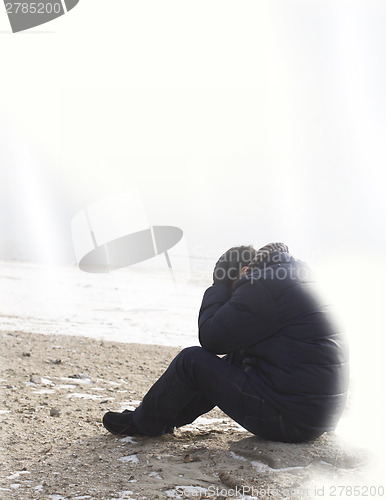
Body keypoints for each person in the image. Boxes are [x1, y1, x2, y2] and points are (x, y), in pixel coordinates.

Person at [102, 242, 349, 443]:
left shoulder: (259, 284)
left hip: (289, 421)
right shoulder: (293, 275)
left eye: (233, 292)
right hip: (318, 416)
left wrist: (218, 286)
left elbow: (211, 339)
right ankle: (163, 419)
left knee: (191, 361)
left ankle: (142, 424)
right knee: (236, 357)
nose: (233, 299)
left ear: (242, 273)